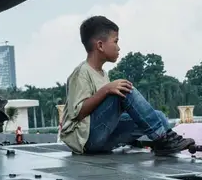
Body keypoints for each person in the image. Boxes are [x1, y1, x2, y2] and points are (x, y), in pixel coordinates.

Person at [59, 16, 192, 156]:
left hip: (103, 139)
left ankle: (164, 140)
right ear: (100, 46)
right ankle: (162, 139)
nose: (118, 47)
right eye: (115, 41)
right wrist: (106, 90)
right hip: (86, 140)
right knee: (123, 89)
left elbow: (108, 112)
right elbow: (78, 113)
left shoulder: (103, 74)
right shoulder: (82, 72)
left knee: (157, 116)